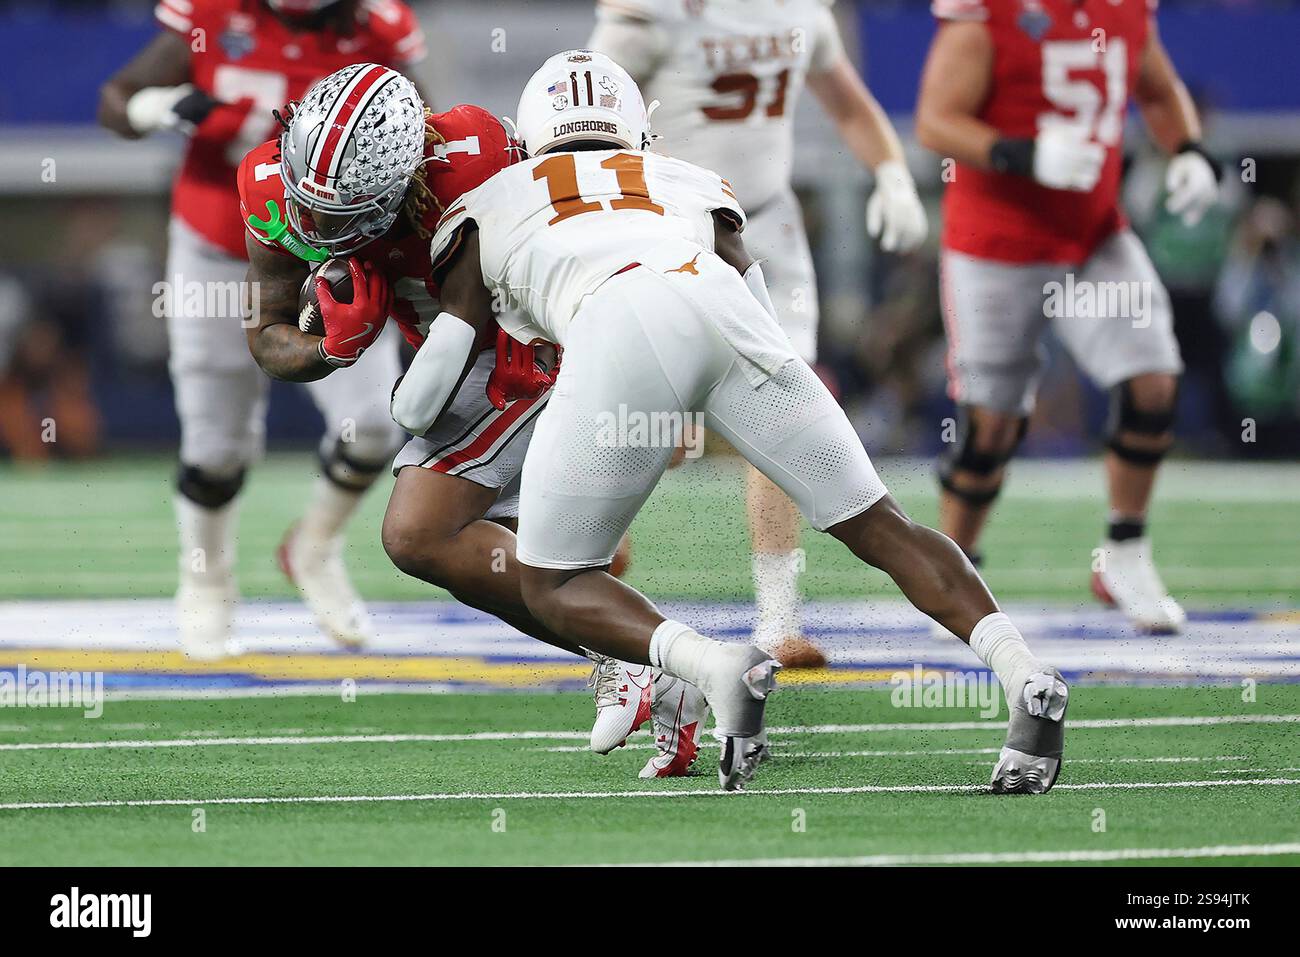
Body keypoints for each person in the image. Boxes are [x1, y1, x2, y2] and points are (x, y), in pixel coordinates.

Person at [388, 50, 1069, 793]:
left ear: (532, 133)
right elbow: (754, 301)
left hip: (618, 323)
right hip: (729, 317)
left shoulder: (489, 202)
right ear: (634, 126)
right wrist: (734, 405)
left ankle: (714, 666)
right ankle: (1023, 671)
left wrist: (345, 334)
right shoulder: (686, 179)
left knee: (553, 583)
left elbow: (420, 404)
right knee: (884, 525)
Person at [239, 64, 701, 778]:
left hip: (524, 339)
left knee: (419, 531)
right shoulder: (272, 184)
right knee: (543, 559)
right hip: (450, 359)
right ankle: (659, 668)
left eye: (340, 214)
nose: (315, 227)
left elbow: (485, 312)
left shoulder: (472, 166)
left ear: (406, 179)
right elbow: (268, 331)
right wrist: (327, 349)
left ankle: (650, 660)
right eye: (309, 203)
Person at [588, 0, 929, 670]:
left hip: (765, 224)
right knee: (652, 415)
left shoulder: (800, 12)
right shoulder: (652, 13)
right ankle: (592, 540)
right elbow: (580, 122)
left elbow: (851, 104)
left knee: (782, 413)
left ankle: (778, 618)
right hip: (668, 225)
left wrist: (891, 172)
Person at [98, 0, 427, 659]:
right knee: (216, 446)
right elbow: (116, 100)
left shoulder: (378, 28)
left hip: (334, 252)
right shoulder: (215, 13)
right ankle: (207, 580)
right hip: (219, 246)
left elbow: (422, 139)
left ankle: (315, 546)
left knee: (374, 425)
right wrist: (158, 109)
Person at [914, 0, 1220, 633]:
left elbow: (1159, 90)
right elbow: (936, 121)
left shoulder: (1127, 9)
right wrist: (1018, 154)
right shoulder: (991, 13)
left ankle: (1124, 555)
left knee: (1153, 381)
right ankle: (953, 574)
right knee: (991, 428)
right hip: (995, 245)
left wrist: (1189, 149)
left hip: (1092, 237)